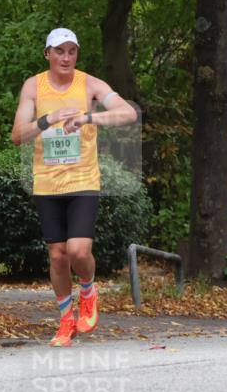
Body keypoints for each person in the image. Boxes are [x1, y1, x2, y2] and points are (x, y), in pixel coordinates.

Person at [11, 28, 137, 347]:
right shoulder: (33, 87)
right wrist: (47, 119)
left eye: (72, 51)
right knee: (57, 256)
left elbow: (128, 113)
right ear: (47, 54)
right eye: (60, 51)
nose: (66, 57)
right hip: (47, 182)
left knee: (78, 250)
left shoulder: (90, 84)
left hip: (83, 179)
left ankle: (89, 289)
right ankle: (66, 320)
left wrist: (88, 118)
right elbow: (18, 135)